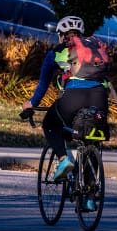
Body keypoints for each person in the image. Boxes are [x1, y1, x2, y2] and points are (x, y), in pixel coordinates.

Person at [21, 15, 110, 192]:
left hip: (73, 97)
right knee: (91, 137)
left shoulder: (58, 51)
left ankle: (63, 160)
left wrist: (31, 103)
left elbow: (43, 84)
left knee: (50, 124)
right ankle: (90, 196)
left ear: (61, 34)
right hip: (99, 98)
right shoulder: (95, 48)